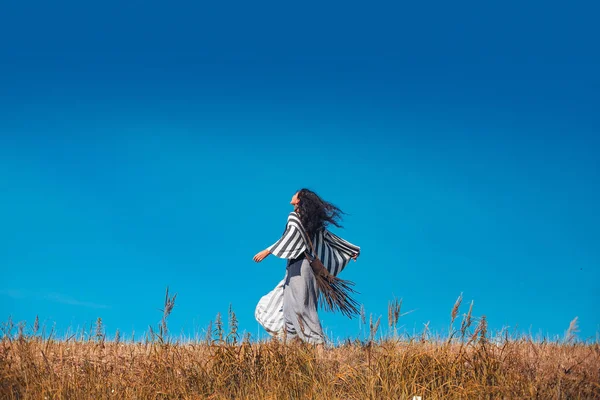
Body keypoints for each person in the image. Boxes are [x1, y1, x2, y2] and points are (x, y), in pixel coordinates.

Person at [253, 189, 360, 344]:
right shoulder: (310, 221)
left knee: (303, 307)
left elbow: (291, 235)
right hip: (297, 268)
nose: (292, 195)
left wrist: (268, 251)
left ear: (299, 200)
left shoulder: (295, 218)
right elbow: (329, 238)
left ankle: (318, 345)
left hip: (300, 265)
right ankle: (291, 351)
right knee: (289, 310)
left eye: (295, 194)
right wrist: (351, 250)